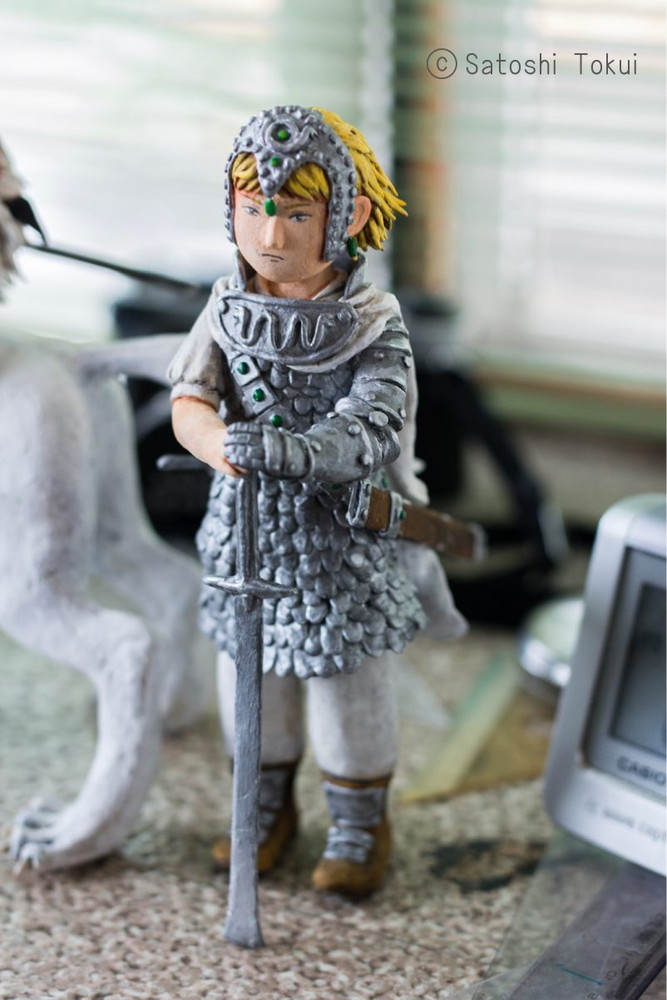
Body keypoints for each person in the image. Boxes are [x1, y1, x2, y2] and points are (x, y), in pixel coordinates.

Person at [169, 105, 466, 898]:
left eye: (296, 215)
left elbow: (370, 423)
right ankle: (262, 809)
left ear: (349, 216)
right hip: (242, 536)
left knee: (345, 690)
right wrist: (218, 445)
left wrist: (299, 453)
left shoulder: (373, 324)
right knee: (252, 690)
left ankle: (358, 824)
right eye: (254, 209)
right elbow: (190, 396)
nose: (270, 235)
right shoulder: (224, 308)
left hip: (339, 546)